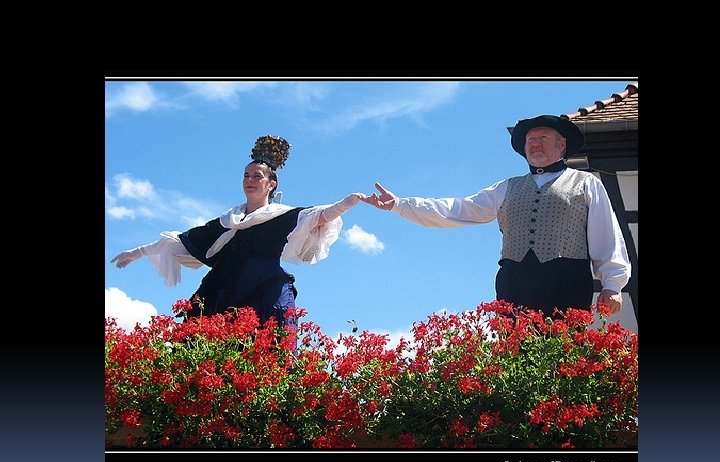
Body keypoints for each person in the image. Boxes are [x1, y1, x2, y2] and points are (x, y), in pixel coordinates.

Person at [362, 115, 631, 317]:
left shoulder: (585, 183)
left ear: (562, 145)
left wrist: (613, 285)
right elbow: (458, 209)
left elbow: (606, 235)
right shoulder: (507, 187)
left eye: (542, 138)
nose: (535, 144)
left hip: (566, 279)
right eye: (530, 140)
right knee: (514, 355)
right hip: (515, 280)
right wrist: (400, 204)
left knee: (564, 355)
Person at [111, 135, 364, 326]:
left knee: (267, 351)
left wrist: (347, 203)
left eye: (257, 176)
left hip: (263, 292)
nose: (249, 180)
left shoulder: (281, 216)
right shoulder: (227, 221)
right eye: (246, 175)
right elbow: (181, 240)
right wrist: (137, 252)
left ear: (271, 184)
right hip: (219, 292)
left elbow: (318, 216)